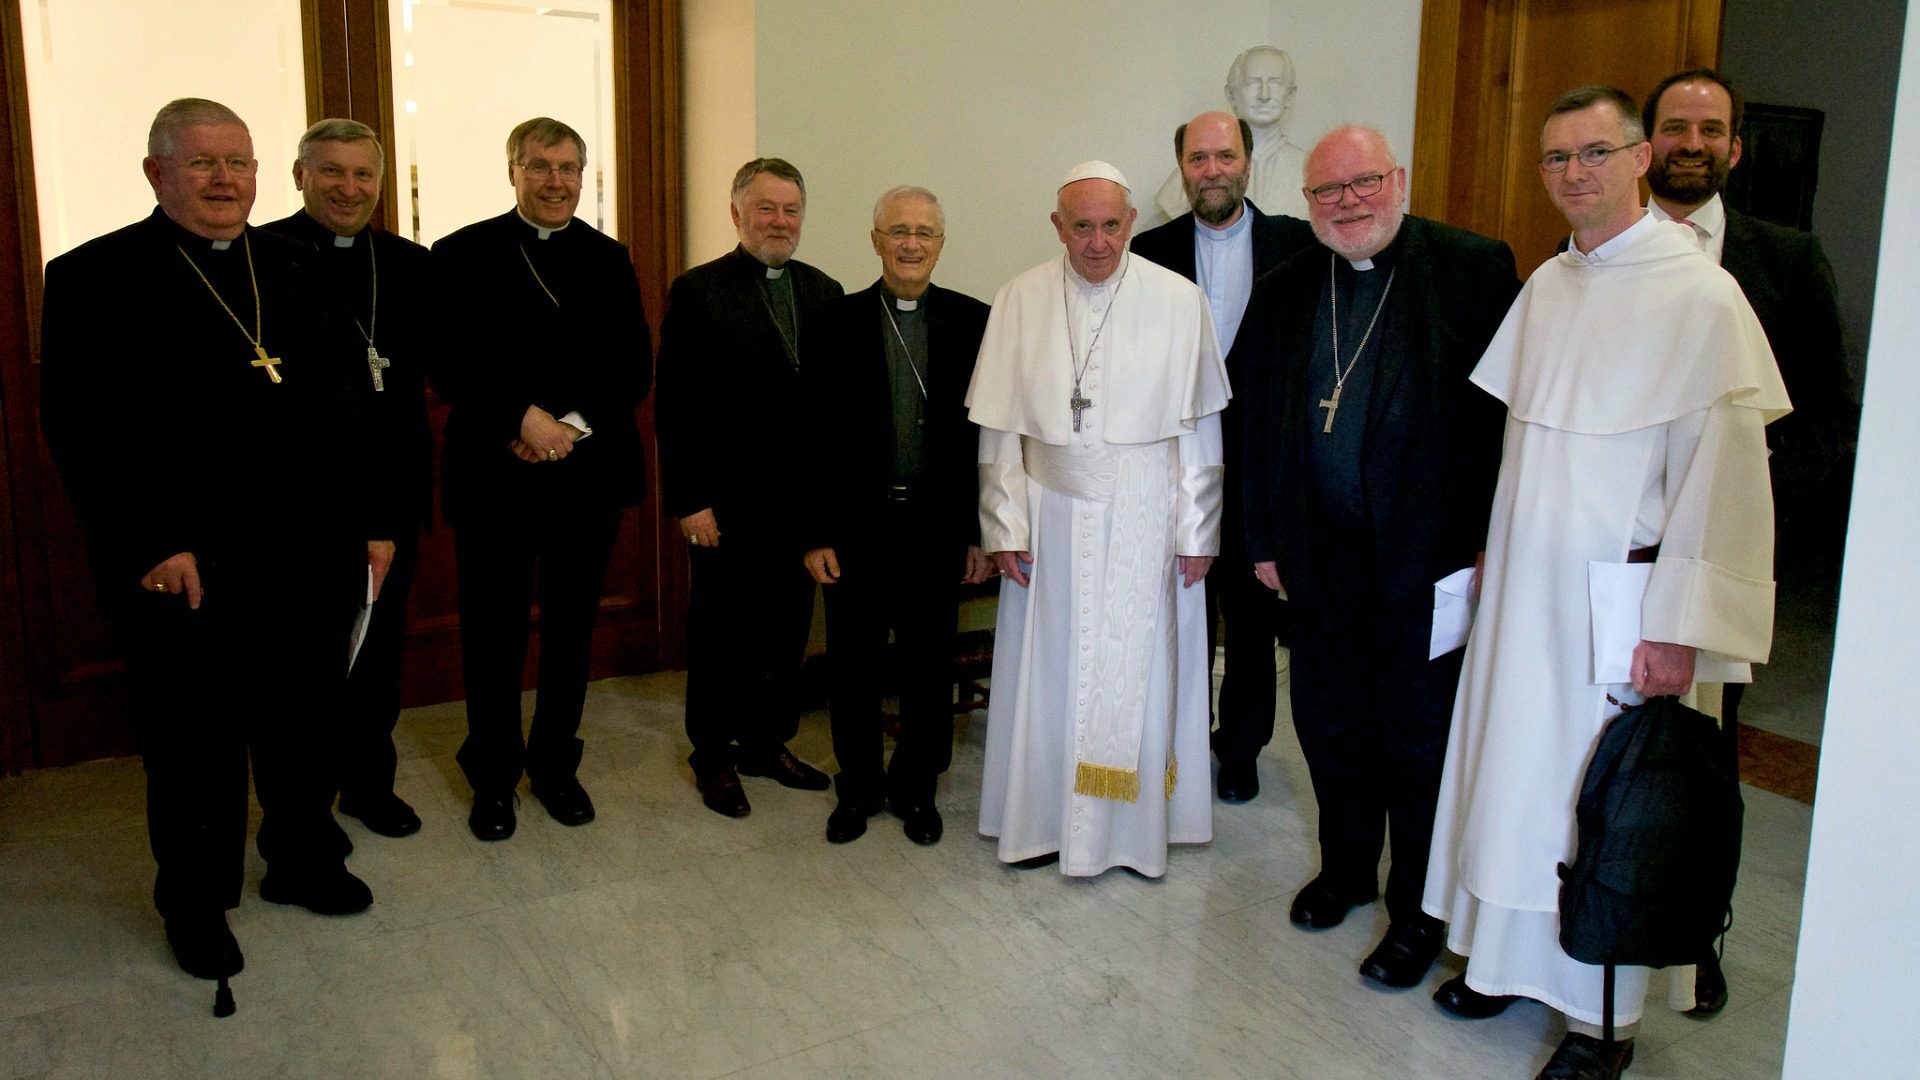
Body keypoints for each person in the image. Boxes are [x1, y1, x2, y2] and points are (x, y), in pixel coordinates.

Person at [1421, 87, 1787, 1080]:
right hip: (1524, 598)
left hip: (1619, 611)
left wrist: (1682, 628)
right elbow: (1520, 447)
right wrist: (1495, 551)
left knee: (1608, 808)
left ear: (1638, 161)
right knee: (1512, 782)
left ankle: (1600, 1023)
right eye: (1555, 159)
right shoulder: (1547, 286)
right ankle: (1501, 962)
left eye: (1594, 153)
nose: (1573, 174)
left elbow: (1722, 491)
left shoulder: (1700, 297)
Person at [40, 98, 387, 983]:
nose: (225, 178)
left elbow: (351, 405)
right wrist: (151, 541)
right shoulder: (93, 276)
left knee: (303, 725)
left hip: (311, 552)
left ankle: (302, 860)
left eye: (238, 161)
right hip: (187, 563)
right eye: (202, 163)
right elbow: (83, 429)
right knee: (194, 746)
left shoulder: (298, 265)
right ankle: (194, 903)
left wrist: (372, 522)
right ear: (157, 173)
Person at [1238, 125, 1518, 990]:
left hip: (1426, 561)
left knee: (1417, 739)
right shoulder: (1286, 287)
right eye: (1327, 192)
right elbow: (1253, 424)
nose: (1347, 202)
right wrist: (1261, 542)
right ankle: (1347, 870)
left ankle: (1419, 909)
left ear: (1398, 177)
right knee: (1328, 725)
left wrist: (1485, 541)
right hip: (1317, 558)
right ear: (1307, 205)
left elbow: (1503, 421)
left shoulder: (1472, 268)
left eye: (1363, 182)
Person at [970, 161, 1229, 878]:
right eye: (1081, 227)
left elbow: (1200, 429)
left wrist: (1197, 532)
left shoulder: (1179, 302)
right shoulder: (1020, 298)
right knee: (1049, 671)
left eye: (1111, 225)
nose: (1097, 243)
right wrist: (1004, 527)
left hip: (1146, 515)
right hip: (1049, 520)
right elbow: (1000, 433)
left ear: (1132, 223)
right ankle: (1043, 821)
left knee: (1140, 672)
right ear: (1058, 226)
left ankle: (1129, 835)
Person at [430, 117, 652, 841]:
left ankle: (556, 765)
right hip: (495, 474)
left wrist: (570, 428)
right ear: (513, 172)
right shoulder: (461, 253)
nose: (555, 181)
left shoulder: (609, 257)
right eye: (540, 166)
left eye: (568, 167)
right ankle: (493, 777)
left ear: (583, 175)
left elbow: (631, 367)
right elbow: (449, 361)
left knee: (570, 632)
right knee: (492, 634)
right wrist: (521, 419)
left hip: (584, 475)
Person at [1131, 110, 1315, 804]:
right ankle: (1179, 736)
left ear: (1247, 160)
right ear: (1182, 168)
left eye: (1225, 156)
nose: (1213, 170)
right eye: (1199, 159)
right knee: (1180, 614)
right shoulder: (1146, 252)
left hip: (1264, 469)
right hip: (1175, 469)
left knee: (1252, 621)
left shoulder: (1299, 246)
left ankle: (1240, 749)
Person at [801, 186, 992, 845]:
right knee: (852, 668)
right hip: (856, 528)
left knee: (926, 668)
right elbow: (811, 436)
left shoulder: (974, 321)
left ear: (941, 243)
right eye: (899, 231)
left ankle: (917, 790)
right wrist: (815, 533)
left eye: (926, 233)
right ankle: (856, 790)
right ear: (876, 239)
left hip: (936, 530)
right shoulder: (831, 321)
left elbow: (982, 440)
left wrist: (976, 533)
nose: (912, 243)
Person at [656, 159, 843, 817]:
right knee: (719, 636)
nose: (780, 221)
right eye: (766, 208)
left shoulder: (824, 291)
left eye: (791, 209)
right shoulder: (700, 290)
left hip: (795, 509)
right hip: (725, 506)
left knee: (784, 632)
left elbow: (832, 411)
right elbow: (674, 407)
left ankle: (766, 745)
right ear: (736, 213)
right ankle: (712, 756)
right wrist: (689, 499)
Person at [265, 118, 432, 841]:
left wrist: (390, 516)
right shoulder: (263, 256)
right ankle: (303, 803)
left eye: (363, 174)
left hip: (390, 490)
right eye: (331, 171)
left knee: (380, 654)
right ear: (299, 175)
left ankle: (370, 783)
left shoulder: (409, 263)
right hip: (298, 504)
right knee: (301, 670)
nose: (348, 187)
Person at [1153, 47, 1308, 221]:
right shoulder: (1192, 176)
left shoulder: (1310, 171)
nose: (1264, 95)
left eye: (1275, 83)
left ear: (1290, 95)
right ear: (1231, 94)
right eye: (1252, 83)